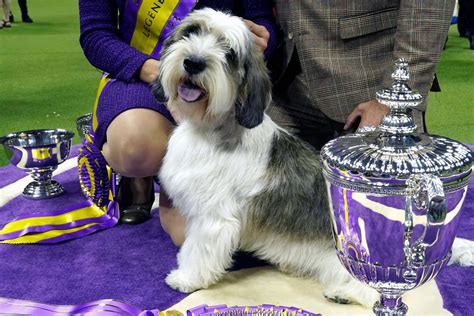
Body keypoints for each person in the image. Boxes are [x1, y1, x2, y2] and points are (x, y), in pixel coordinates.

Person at [78, 0, 278, 229]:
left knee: (188, 233)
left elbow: (264, 22)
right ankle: (139, 176)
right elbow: (95, 35)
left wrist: (259, 41)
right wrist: (156, 71)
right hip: (141, 73)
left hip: (218, 76)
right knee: (134, 149)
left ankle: (177, 171)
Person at [267, 1, 455, 151]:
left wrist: (394, 99)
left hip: (372, 86)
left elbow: (429, 8)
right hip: (283, 90)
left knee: (380, 198)